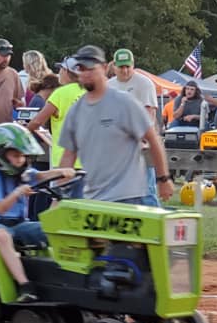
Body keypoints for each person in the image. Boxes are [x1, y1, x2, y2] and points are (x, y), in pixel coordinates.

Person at [58, 45, 174, 205]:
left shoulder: (124, 102)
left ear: (104, 68)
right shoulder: (76, 111)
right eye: (81, 69)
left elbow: (153, 140)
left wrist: (163, 178)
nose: (86, 74)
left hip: (129, 196)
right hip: (94, 198)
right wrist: (61, 191)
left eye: (91, 68)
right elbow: (68, 154)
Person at [0, 122, 76, 302]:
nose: (20, 160)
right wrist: (17, 192)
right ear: (0, 154)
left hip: (19, 223)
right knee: (2, 235)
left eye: (23, 156)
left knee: (50, 228)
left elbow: (40, 175)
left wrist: (62, 172)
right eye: (16, 155)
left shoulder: (22, 173)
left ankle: (66, 279)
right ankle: (25, 286)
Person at [106, 48, 160, 201]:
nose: (125, 70)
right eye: (121, 67)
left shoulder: (144, 83)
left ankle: (153, 217)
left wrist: (142, 139)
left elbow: (149, 115)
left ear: (133, 65)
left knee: (147, 189)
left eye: (128, 66)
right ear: (114, 67)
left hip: (141, 143)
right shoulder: (109, 86)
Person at [25, 58, 84, 165]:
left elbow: (38, 121)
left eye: (61, 69)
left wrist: (23, 131)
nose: (59, 73)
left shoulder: (60, 93)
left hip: (64, 160)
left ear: (67, 71)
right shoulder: (89, 92)